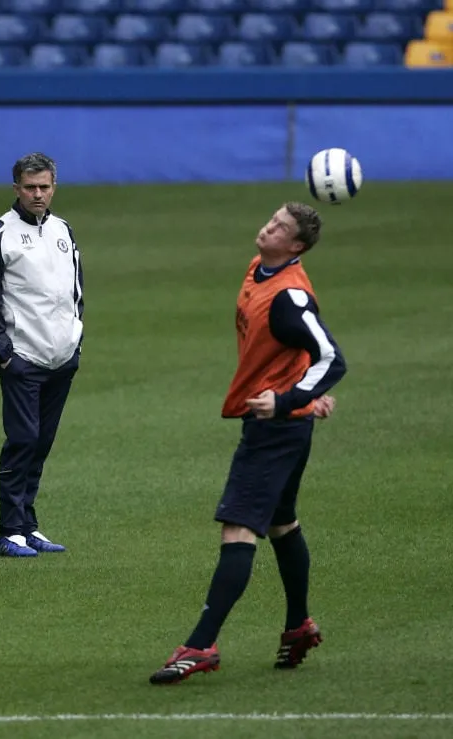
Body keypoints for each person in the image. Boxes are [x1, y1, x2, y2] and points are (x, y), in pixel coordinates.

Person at [149, 201, 347, 685]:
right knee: (281, 523)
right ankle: (298, 625)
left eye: (281, 226)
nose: (269, 225)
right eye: (272, 217)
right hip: (279, 422)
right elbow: (295, 354)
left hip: (275, 431)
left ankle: (200, 645)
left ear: (296, 246)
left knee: (238, 528)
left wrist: (290, 400)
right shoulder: (260, 268)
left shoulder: (289, 297)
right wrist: (302, 395)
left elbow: (332, 358)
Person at [0, 152, 84, 558]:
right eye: (30, 187)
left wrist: (75, 341)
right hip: (22, 359)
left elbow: (75, 293)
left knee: (43, 442)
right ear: (16, 188)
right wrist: (1, 353)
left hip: (61, 359)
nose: (38, 194)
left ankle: (29, 526)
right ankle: (10, 530)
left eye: (45, 187)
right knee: (23, 439)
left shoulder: (63, 230)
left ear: (54, 187)